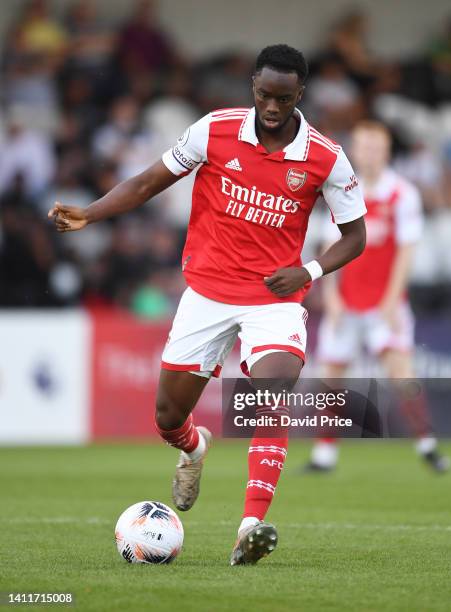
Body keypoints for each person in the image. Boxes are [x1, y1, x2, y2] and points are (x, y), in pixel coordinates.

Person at [49, 45, 366, 565]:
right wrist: (92, 213)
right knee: (167, 416)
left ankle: (249, 526)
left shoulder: (327, 157)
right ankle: (194, 449)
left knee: (274, 386)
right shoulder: (213, 130)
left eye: (283, 98)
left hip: (274, 297)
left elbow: (355, 236)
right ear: (252, 86)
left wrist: (308, 271)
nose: (271, 107)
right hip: (207, 292)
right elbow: (150, 181)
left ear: (299, 96)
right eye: (263, 94)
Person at [305, 120, 451, 473]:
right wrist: (334, 298)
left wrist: (392, 299)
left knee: (401, 373)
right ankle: (324, 454)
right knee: (332, 376)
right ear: (353, 150)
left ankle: (427, 445)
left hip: (383, 304)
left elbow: (406, 250)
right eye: (364, 146)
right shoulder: (340, 189)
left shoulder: (402, 193)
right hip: (347, 302)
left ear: (386, 152)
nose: (369, 153)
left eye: (376, 147)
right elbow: (329, 246)